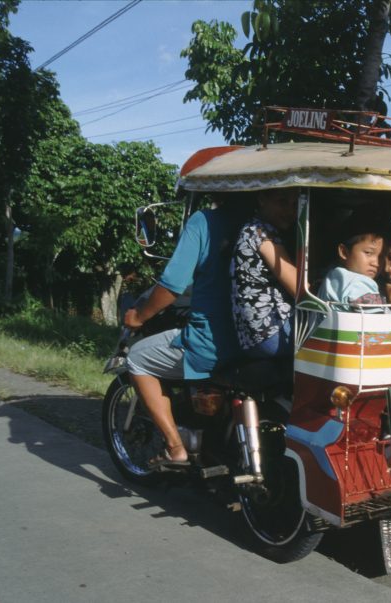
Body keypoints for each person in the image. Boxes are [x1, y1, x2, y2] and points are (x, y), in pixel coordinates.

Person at [124, 204, 239, 469]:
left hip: (213, 343)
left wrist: (139, 316)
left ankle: (175, 448)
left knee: (137, 358)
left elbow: (173, 284)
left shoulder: (204, 221)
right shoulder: (263, 222)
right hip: (261, 341)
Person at [231, 188, 299, 358]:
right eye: (282, 202)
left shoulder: (250, 228)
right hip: (272, 332)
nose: (290, 211)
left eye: (295, 205)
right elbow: (299, 288)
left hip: (252, 337)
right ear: (262, 199)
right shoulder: (261, 232)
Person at [317, 213, 389, 310]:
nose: (376, 263)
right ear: (344, 252)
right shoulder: (358, 283)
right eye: (368, 253)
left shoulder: (334, 275)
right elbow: (376, 318)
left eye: (381, 256)